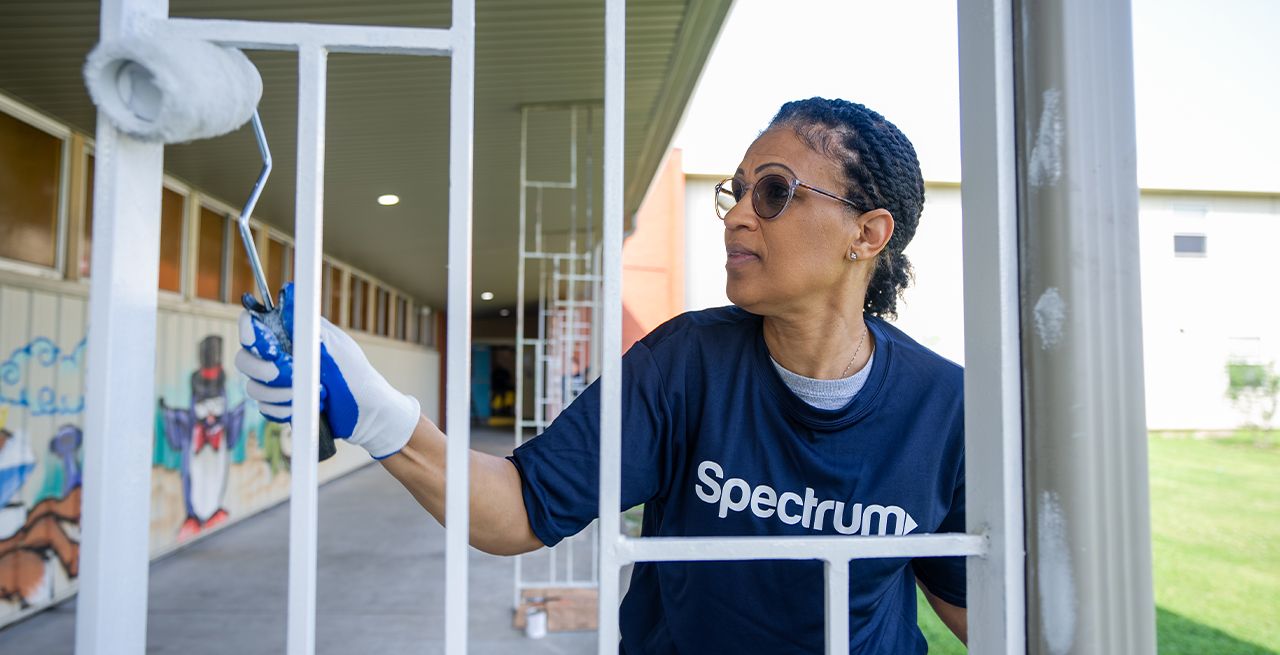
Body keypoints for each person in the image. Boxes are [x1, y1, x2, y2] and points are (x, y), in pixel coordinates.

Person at [235, 97, 967, 654]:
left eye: (773, 192)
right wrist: (378, 415)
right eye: (736, 191)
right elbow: (523, 507)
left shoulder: (946, 407)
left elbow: (980, 605)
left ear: (867, 234)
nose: (737, 215)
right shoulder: (684, 364)